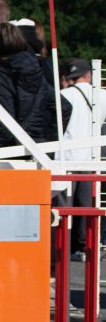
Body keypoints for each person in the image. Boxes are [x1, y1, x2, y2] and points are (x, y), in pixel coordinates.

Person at [59, 58, 105, 260]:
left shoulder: (62, 95)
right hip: (90, 159)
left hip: (65, 159)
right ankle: (84, 246)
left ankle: (61, 248)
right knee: (86, 206)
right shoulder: (101, 95)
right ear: (89, 74)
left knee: (63, 208)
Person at [0, 22, 55, 148]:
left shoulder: (0, 79)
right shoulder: (39, 73)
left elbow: (3, 126)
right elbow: (63, 107)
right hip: (39, 149)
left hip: (11, 153)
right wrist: (50, 142)